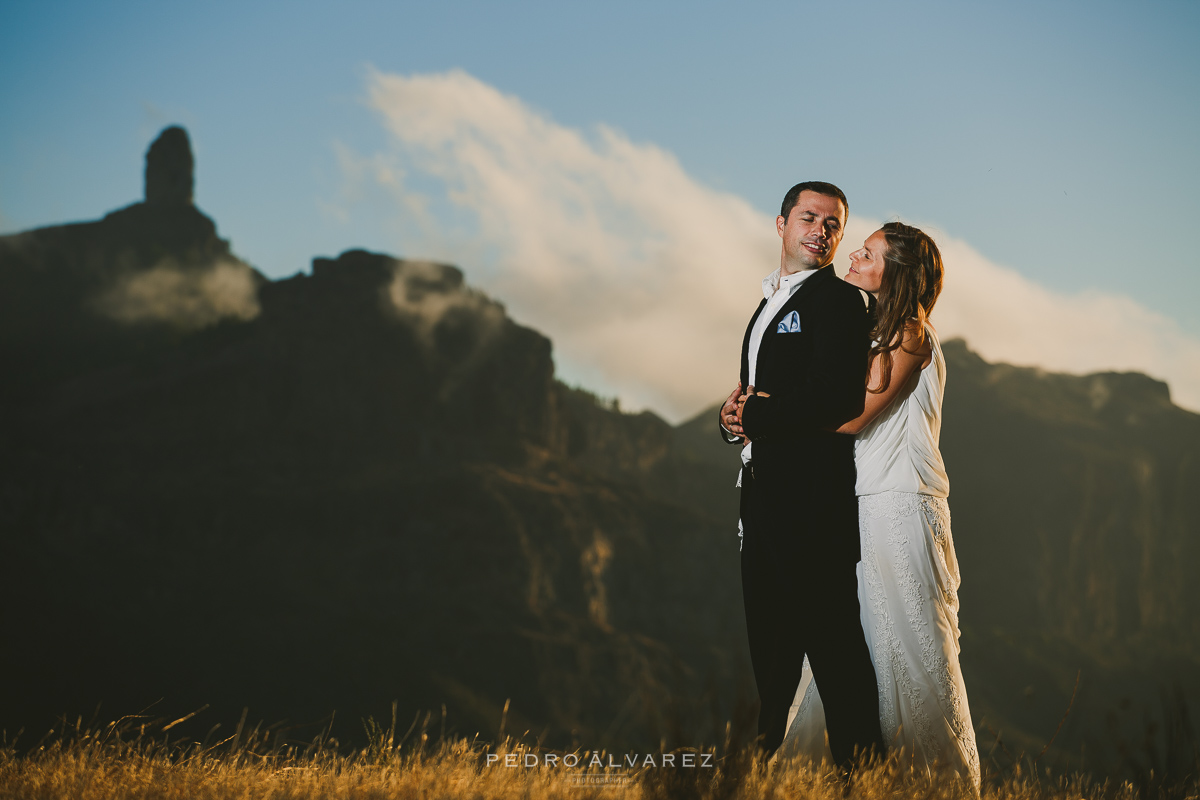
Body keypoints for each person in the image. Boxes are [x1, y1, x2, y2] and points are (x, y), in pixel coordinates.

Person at [776, 222, 981, 789]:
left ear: (897, 274)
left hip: (901, 510)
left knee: (911, 649)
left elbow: (852, 417)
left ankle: (930, 784)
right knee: (855, 647)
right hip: (865, 508)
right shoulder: (873, 329)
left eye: (868, 253)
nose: (854, 255)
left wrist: (770, 418)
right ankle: (850, 778)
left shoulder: (912, 334)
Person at [718, 181, 884, 766]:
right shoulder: (766, 305)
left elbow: (836, 397)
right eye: (810, 218)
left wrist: (758, 412)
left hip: (813, 506)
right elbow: (759, 398)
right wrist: (733, 420)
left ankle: (863, 774)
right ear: (783, 223)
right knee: (770, 647)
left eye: (834, 224)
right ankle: (764, 768)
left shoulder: (839, 302)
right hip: (763, 502)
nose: (822, 231)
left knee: (834, 649)